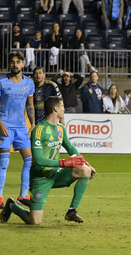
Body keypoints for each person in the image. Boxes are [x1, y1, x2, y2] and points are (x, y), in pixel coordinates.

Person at [0, 96, 97, 224]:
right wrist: (64, 163)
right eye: (62, 106)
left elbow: (70, 147)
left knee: (84, 170)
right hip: (40, 177)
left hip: (56, 173)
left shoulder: (60, 128)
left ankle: (71, 211)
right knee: (34, 221)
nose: (64, 109)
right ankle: (12, 205)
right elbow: (39, 159)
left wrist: (85, 163)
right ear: (55, 109)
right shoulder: (39, 130)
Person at [0, 51, 35, 209]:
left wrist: (32, 124)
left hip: (21, 128)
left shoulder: (28, 83)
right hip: (5, 127)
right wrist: (0, 124)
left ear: (23, 64)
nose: (15, 64)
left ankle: (23, 196)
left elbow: (30, 106)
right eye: (12, 62)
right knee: (3, 163)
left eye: (18, 62)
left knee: (29, 160)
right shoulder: (2, 83)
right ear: (9, 64)